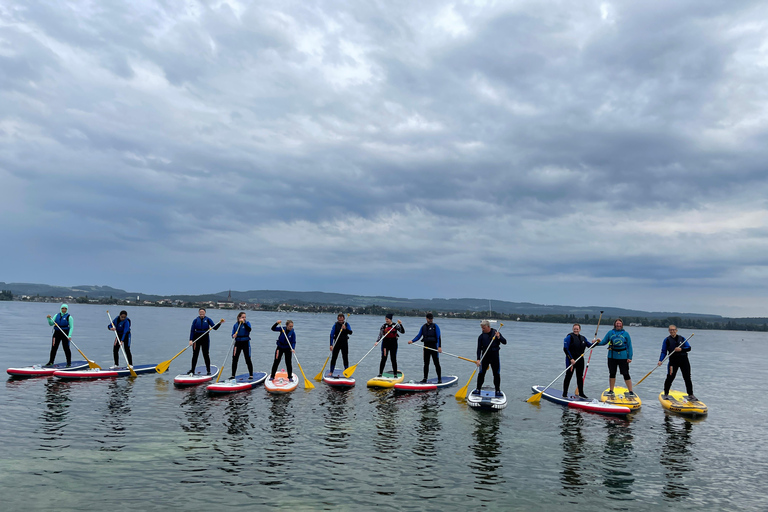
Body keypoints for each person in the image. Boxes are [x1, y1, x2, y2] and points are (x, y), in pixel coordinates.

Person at [593, 318, 634, 397]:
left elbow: (629, 346)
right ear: (615, 324)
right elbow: (604, 342)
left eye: (620, 324)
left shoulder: (626, 334)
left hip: (623, 357)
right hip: (612, 356)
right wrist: (595, 343)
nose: (618, 325)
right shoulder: (610, 333)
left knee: (626, 374)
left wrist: (630, 357)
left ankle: (631, 391)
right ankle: (611, 390)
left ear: (622, 325)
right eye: (617, 323)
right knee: (612, 373)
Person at [658, 325, 696, 400]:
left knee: (687, 377)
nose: (672, 331)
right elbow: (663, 351)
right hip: (673, 361)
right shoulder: (667, 340)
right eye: (671, 330)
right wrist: (660, 360)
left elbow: (689, 348)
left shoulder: (682, 338)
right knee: (670, 377)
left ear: (676, 330)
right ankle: (666, 393)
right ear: (669, 331)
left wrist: (681, 349)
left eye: (674, 330)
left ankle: (691, 394)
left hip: (684, 361)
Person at [473, 320, 507, 397]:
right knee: (481, 373)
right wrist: (478, 359)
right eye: (482, 328)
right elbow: (478, 349)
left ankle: (497, 390)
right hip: (485, 357)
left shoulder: (496, 333)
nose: (482, 329)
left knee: (496, 374)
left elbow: (505, 342)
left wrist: (499, 337)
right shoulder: (481, 337)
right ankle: (478, 389)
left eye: (484, 328)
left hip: (495, 356)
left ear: (488, 327)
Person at [408, 312, 442, 383]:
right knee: (426, 363)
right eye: (429, 319)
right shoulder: (423, 327)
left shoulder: (435, 326)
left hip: (434, 347)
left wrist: (439, 347)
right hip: (426, 347)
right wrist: (412, 341)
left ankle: (439, 378)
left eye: (432, 319)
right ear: (426, 319)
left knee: (436, 363)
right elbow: (418, 336)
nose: (431, 320)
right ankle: (425, 378)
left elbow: (438, 337)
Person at [188, 308, 223, 375]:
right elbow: (192, 330)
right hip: (197, 338)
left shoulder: (208, 319)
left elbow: (215, 328)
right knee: (195, 354)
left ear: (205, 313)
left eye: (203, 312)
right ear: (199, 313)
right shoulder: (195, 320)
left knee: (206, 354)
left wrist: (220, 323)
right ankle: (192, 370)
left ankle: (208, 370)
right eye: (200, 312)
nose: (201, 313)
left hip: (205, 338)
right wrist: (191, 340)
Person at [562, 323, 591, 398]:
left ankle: (581, 393)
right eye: (574, 328)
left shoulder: (583, 338)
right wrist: (571, 359)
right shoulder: (569, 337)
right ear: (572, 329)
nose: (576, 330)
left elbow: (590, 346)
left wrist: (596, 342)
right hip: (571, 360)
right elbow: (565, 348)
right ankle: (564, 393)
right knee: (568, 376)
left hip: (580, 360)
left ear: (580, 330)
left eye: (577, 329)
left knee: (580, 377)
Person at [230, 311, 253, 379]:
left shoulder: (247, 323)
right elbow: (233, 333)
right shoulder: (235, 325)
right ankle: (233, 375)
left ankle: (251, 374)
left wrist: (244, 323)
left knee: (247, 358)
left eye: (245, 317)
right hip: (238, 343)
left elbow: (249, 330)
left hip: (245, 342)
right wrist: (233, 335)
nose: (244, 318)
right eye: (243, 317)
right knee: (235, 359)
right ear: (239, 317)